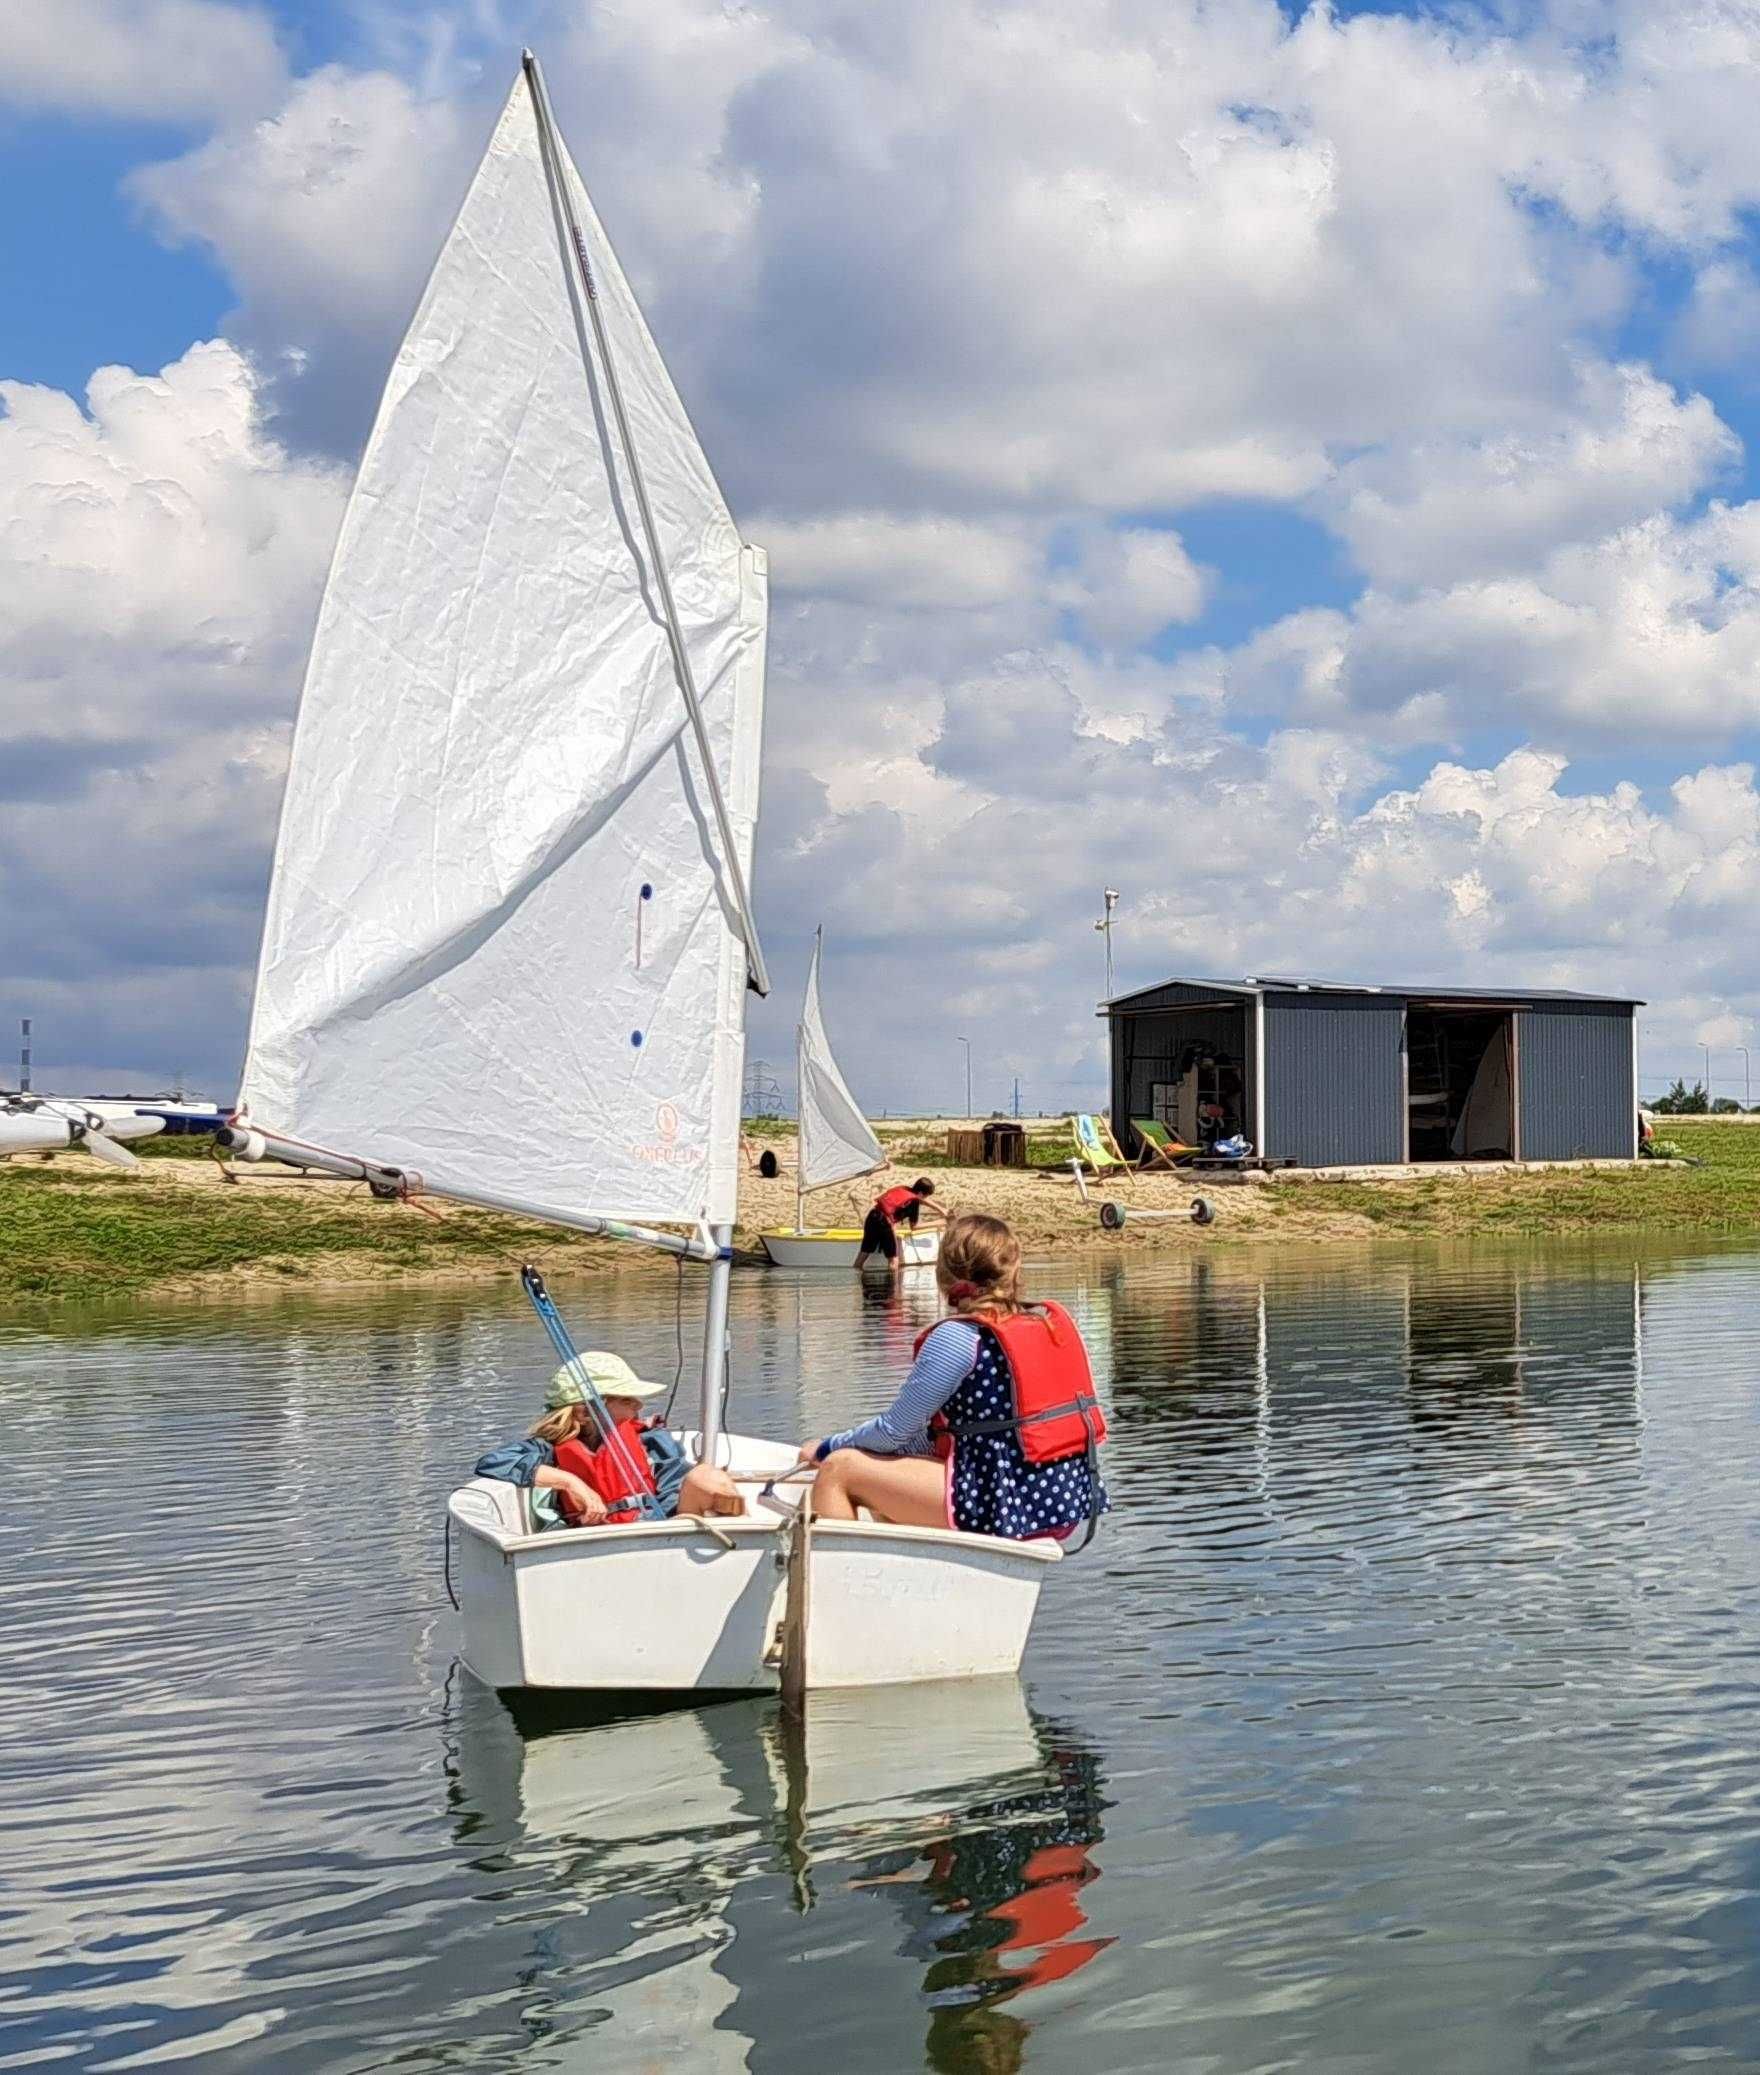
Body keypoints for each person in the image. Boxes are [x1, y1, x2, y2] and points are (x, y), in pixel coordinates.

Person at [799, 1213, 1108, 1540]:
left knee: (839, 1470)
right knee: (887, 1466)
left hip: (1000, 1501)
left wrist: (826, 1448)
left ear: (943, 1274)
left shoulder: (956, 1338)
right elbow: (946, 1433)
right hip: (1059, 1500)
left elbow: (893, 1431)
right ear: (1014, 1269)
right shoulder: (1046, 1326)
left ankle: (846, 1586)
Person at [475, 1351, 744, 1526]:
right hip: (594, 1544)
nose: (638, 1406)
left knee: (708, 1477)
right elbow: (491, 1463)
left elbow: (674, 1484)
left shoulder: (650, 1440)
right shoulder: (549, 1449)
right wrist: (571, 1482)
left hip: (660, 1531)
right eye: (626, 1399)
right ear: (583, 1412)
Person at [854, 1175, 945, 1273]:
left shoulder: (902, 1188)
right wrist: (939, 1223)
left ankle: (855, 1276)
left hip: (872, 1216)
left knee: (864, 1252)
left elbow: (885, 1200)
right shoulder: (914, 1203)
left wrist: (940, 1209)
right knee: (894, 1260)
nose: (925, 1199)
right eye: (926, 1196)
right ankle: (894, 1286)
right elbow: (914, 1227)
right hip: (885, 1223)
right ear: (921, 1193)